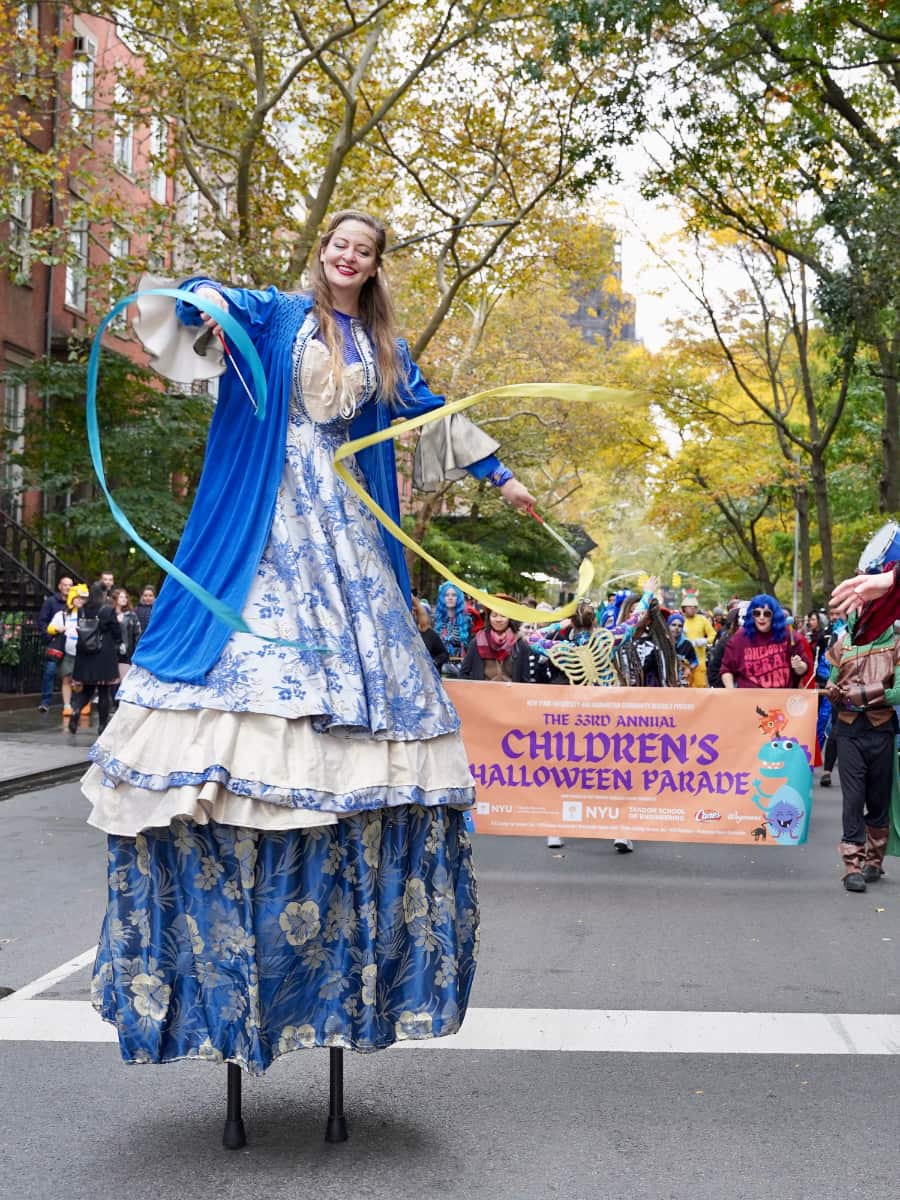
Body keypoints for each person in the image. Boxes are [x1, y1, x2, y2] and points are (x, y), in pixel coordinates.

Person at [81, 209, 536, 1075]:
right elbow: (208, 300)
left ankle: (336, 872)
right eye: (339, 243)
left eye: (363, 250)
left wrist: (502, 478)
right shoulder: (278, 315)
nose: (348, 255)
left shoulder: (383, 350)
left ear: (373, 266)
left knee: (368, 675)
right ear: (323, 251)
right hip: (265, 508)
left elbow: (430, 419)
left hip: (343, 520)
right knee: (243, 662)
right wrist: (203, 308)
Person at [825, 611, 900, 892]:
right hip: (848, 731)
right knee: (853, 799)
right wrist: (832, 690)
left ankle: (874, 860)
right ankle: (852, 866)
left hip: (880, 729)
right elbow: (831, 680)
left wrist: (864, 695)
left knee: (878, 798)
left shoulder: (896, 644)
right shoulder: (843, 643)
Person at [720, 595, 811, 689]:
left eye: (767, 614)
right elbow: (726, 669)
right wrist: (732, 691)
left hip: (781, 699)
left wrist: (799, 666)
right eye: (757, 613)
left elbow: (804, 669)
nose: (761, 617)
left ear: (774, 615)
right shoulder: (739, 638)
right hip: (749, 700)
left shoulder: (789, 635)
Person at [68, 582, 119, 735]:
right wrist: (120, 642)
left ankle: (76, 710)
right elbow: (115, 630)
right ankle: (102, 726)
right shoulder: (107, 610)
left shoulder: (83, 609)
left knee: (88, 689)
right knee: (104, 691)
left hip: (85, 654)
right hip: (103, 653)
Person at [47, 582, 88, 718]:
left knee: (82, 680)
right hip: (67, 652)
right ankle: (67, 705)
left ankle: (84, 702)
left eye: (82, 598)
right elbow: (50, 627)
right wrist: (58, 629)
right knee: (66, 679)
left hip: (83, 652)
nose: (80, 601)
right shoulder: (63, 614)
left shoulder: (88, 614)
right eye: (78, 597)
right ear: (72, 598)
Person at [37, 575, 73, 711]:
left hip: (70, 643)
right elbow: (42, 621)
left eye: (70, 585)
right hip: (56, 642)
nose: (68, 587)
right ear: (59, 586)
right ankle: (46, 701)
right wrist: (49, 637)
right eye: (65, 585)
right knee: (50, 671)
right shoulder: (51, 602)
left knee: (70, 674)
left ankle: (70, 702)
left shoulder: (74, 604)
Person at [459, 601, 519, 681]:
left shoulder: (519, 643)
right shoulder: (477, 642)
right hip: (482, 691)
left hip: (512, 692)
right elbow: (464, 673)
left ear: (509, 618)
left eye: (503, 616)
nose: (498, 619)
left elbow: (525, 679)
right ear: (489, 617)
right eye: (494, 615)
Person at [680, 590, 716, 686]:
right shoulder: (680, 620)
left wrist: (704, 641)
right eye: (690, 607)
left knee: (700, 688)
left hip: (699, 661)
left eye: (694, 607)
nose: (692, 609)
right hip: (683, 662)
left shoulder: (702, 619)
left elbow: (713, 635)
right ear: (684, 608)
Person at [433, 581, 471, 668]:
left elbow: (470, 649)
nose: (450, 598)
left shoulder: (467, 621)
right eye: (447, 595)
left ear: (459, 598)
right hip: (438, 668)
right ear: (442, 598)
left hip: (460, 669)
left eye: (454, 595)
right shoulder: (435, 620)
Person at [411, 594, 449, 672]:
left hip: (428, 675)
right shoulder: (407, 634)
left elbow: (444, 655)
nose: (414, 615)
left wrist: (434, 662)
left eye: (417, 613)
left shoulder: (430, 634)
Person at [111, 588, 142, 682]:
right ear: (115, 598)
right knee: (112, 681)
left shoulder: (131, 615)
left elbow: (137, 634)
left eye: (125, 597)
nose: (124, 599)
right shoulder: (108, 613)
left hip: (126, 652)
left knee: (124, 680)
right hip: (111, 651)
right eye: (121, 597)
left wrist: (136, 651)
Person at [666, 612, 699, 686]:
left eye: (680, 626)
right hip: (664, 681)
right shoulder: (662, 642)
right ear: (668, 626)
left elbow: (695, 661)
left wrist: (689, 668)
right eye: (673, 625)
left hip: (681, 681)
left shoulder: (687, 644)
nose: (676, 628)